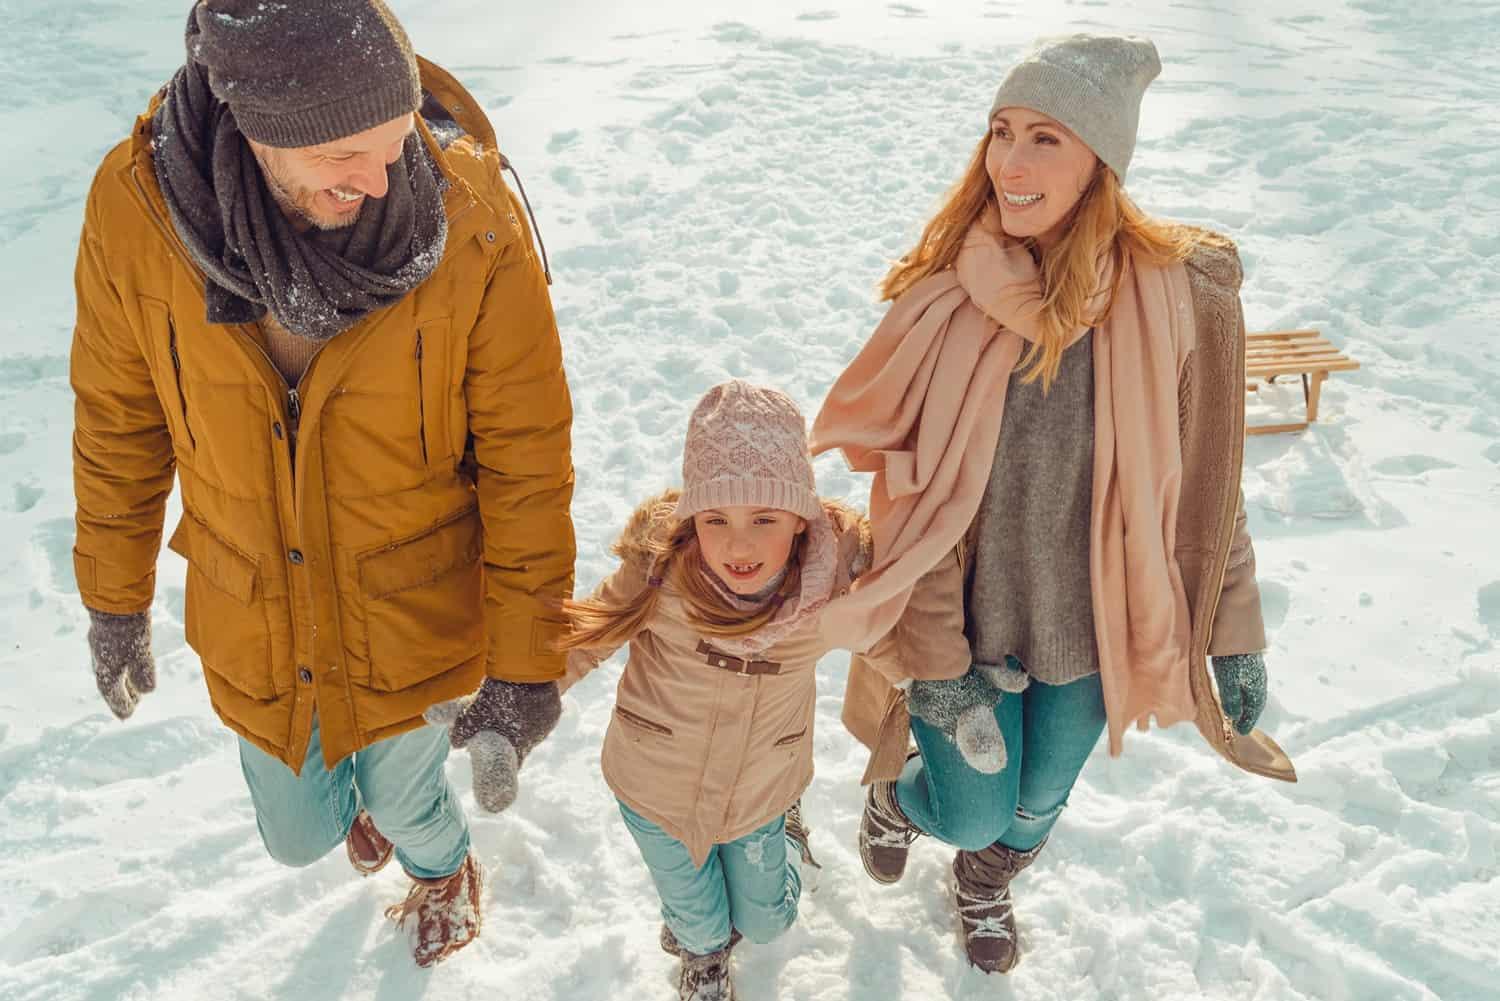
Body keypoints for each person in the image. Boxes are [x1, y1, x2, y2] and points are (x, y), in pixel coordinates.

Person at [69, 0, 574, 968]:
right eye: (347, 154)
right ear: (259, 126)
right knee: (297, 833)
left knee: (408, 802)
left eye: (395, 142)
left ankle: (442, 867)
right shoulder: (136, 216)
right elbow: (118, 422)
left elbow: (528, 456)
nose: (383, 180)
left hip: (414, 609)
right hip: (259, 612)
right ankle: (364, 808)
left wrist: (525, 665)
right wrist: (112, 598)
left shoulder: (468, 219)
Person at [809, 33, 1296, 975]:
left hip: (1091, 634)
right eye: (1002, 133)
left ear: (1100, 161)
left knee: (1033, 808)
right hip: (965, 629)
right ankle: (901, 800)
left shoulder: (1170, 301)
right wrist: (936, 667)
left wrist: (1234, 628)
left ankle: (985, 879)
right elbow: (912, 502)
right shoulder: (955, 298)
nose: (1011, 163)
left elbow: (1205, 482)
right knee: (974, 807)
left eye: (1045, 139)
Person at [558, 381, 962, 1001]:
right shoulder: (661, 572)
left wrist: (943, 691)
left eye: (764, 519)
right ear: (693, 518)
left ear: (800, 520)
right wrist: (512, 699)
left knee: (768, 921)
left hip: (760, 790)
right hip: (655, 787)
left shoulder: (828, 589)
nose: (738, 544)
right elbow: (585, 637)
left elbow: (890, 647)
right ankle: (702, 954)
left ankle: (788, 842)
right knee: (698, 922)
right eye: (716, 519)